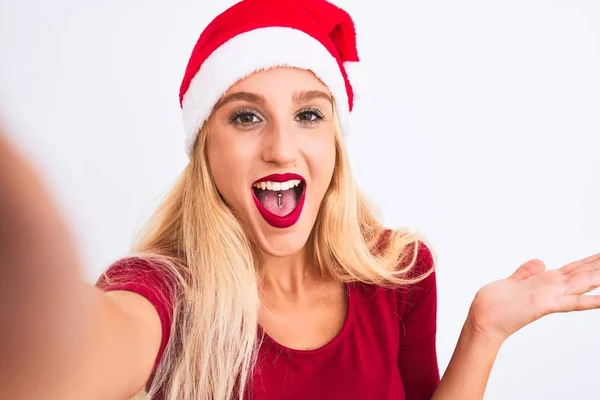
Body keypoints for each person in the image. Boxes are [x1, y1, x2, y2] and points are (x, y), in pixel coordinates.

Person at [0, 0, 599, 399]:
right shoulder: (165, 293)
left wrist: (483, 331)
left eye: (308, 114)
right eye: (245, 117)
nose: (282, 149)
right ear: (204, 147)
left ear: (334, 139)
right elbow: (71, 363)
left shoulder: (400, 271)